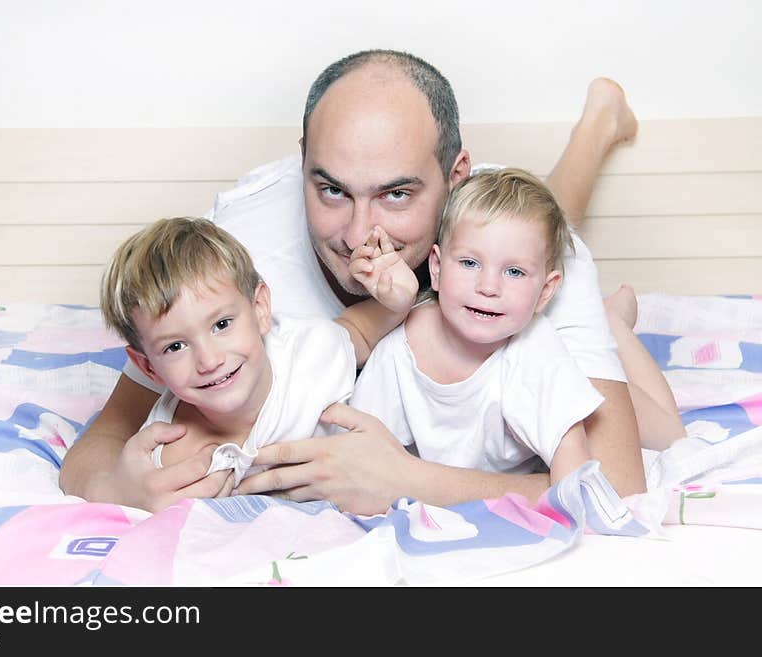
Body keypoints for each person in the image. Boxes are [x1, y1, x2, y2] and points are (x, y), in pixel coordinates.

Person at [60, 49, 646, 515]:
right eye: (332, 189)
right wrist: (123, 488)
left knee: (554, 225)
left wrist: (412, 481)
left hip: (507, 234)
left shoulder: (519, 256)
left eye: (396, 194)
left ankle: (595, 127)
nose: (359, 236)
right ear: (303, 161)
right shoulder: (235, 258)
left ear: (454, 176)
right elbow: (100, 442)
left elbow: (618, 485)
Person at [348, 168, 683, 490]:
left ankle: (614, 325)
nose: (488, 287)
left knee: (671, 437)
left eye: (514, 272)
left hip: (569, 366)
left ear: (546, 292)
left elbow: (576, 473)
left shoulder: (538, 352)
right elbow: (357, 445)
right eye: (469, 263)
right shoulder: (399, 350)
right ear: (435, 268)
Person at [98, 216, 417, 491]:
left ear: (260, 308)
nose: (210, 361)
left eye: (221, 324)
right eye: (175, 346)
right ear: (147, 366)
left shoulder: (307, 352)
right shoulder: (167, 453)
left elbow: (358, 331)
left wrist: (400, 298)